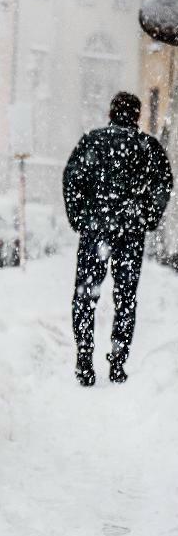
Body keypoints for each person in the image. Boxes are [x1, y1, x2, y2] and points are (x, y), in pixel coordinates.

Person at [62, 92, 173, 386]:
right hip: (130, 232)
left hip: (96, 229)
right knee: (125, 298)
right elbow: (163, 184)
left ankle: (84, 360)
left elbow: (72, 178)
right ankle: (118, 361)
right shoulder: (147, 147)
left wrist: (80, 217)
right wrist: (147, 216)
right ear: (137, 116)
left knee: (86, 295)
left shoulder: (92, 141)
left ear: (110, 112)